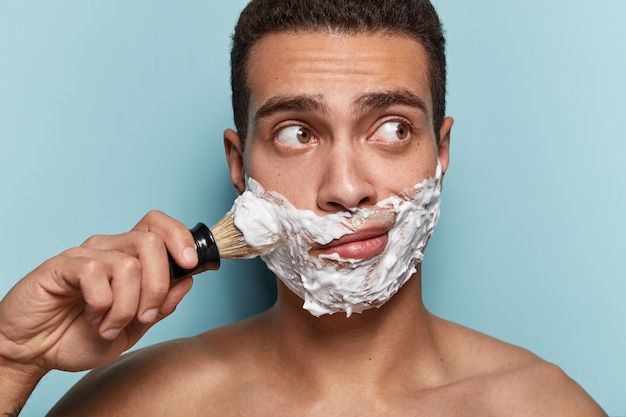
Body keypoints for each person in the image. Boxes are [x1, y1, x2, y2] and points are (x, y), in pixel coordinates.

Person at [0, 0, 607, 415]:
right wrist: (10, 362)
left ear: (440, 151)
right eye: (297, 133)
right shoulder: (135, 406)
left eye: (392, 128)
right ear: (240, 166)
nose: (345, 187)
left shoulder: (542, 407)